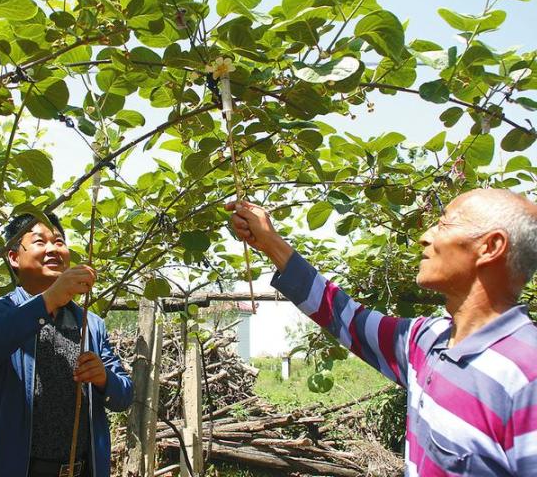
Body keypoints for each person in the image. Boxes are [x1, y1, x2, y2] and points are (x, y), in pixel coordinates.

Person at [226, 188, 537, 476]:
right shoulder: (424, 341)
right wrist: (270, 243)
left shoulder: (526, 376)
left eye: (443, 225)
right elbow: (345, 317)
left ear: (491, 246)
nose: (424, 237)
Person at [0, 213, 133, 477]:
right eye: (39, 242)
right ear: (14, 257)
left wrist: (104, 379)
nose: (53, 248)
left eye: (60, 241)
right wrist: (48, 299)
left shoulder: (92, 324)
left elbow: (123, 396)